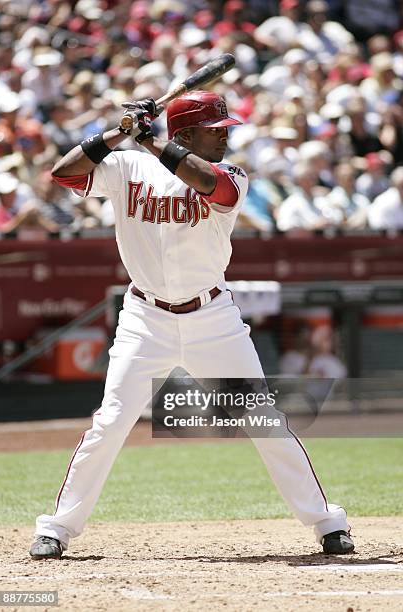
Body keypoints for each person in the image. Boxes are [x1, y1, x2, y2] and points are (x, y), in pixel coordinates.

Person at [29, 91, 354, 560]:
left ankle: (327, 523)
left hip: (212, 318)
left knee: (264, 420)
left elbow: (208, 184)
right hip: (144, 318)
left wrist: (152, 142)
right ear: (185, 132)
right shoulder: (128, 166)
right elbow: (64, 173)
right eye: (215, 130)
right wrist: (120, 133)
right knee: (112, 421)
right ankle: (56, 528)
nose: (225, 136)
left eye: (225, 130)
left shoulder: (232, 175)